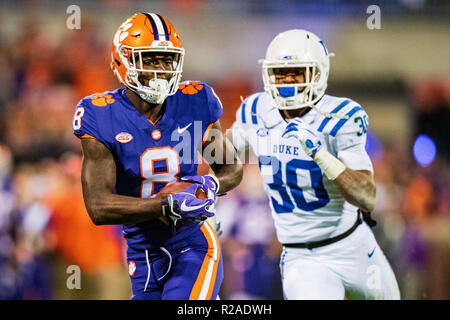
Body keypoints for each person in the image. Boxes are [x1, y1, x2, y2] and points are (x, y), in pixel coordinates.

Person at [72, 12, 242, 300]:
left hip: (193, 243)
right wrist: (167, 204)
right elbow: (99, 207)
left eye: (167, 60)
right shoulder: (101, 114)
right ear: (123, 61)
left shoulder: (195, 102)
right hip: (141, 254)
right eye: (149, 59)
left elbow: (231, 169)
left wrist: (208, 188)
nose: (160, 69)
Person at [229, 29, 400, 299]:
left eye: (296, 72)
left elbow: (367, 197)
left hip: (353, 245)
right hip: (303, 257)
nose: (285, 81)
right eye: (279, 73)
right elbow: (221, 155)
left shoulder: (340, 116)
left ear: (317, 74)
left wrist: (321, 154)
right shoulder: (256, 111)